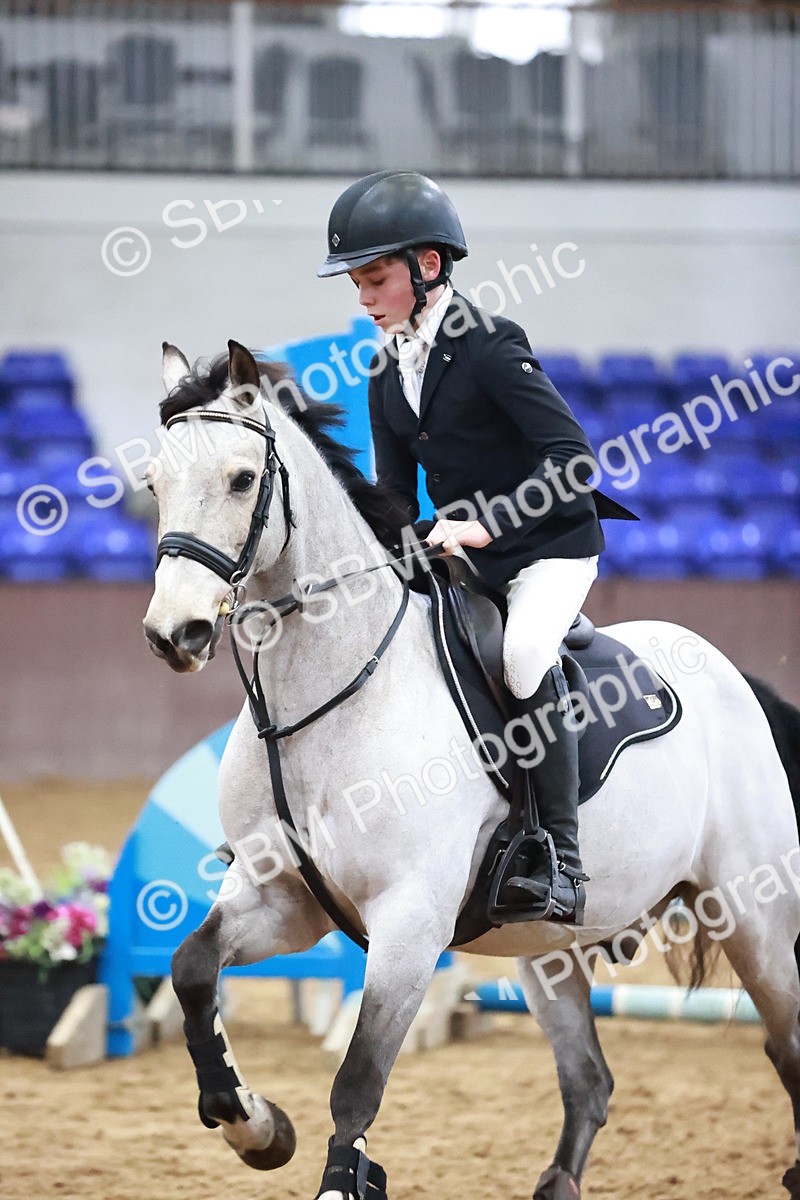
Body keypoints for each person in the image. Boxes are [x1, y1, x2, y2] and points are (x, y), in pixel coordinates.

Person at [318, 170, 636, 925]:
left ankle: (562, 857)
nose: (362, 297)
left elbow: (574, 462)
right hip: (473, 555)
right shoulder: (384, 370)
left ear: (427, 268)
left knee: (524, 656)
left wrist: (485, 524)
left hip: (549, 545)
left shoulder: (490, 345)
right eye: (356, 282)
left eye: (374, 278)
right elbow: (395, 491)